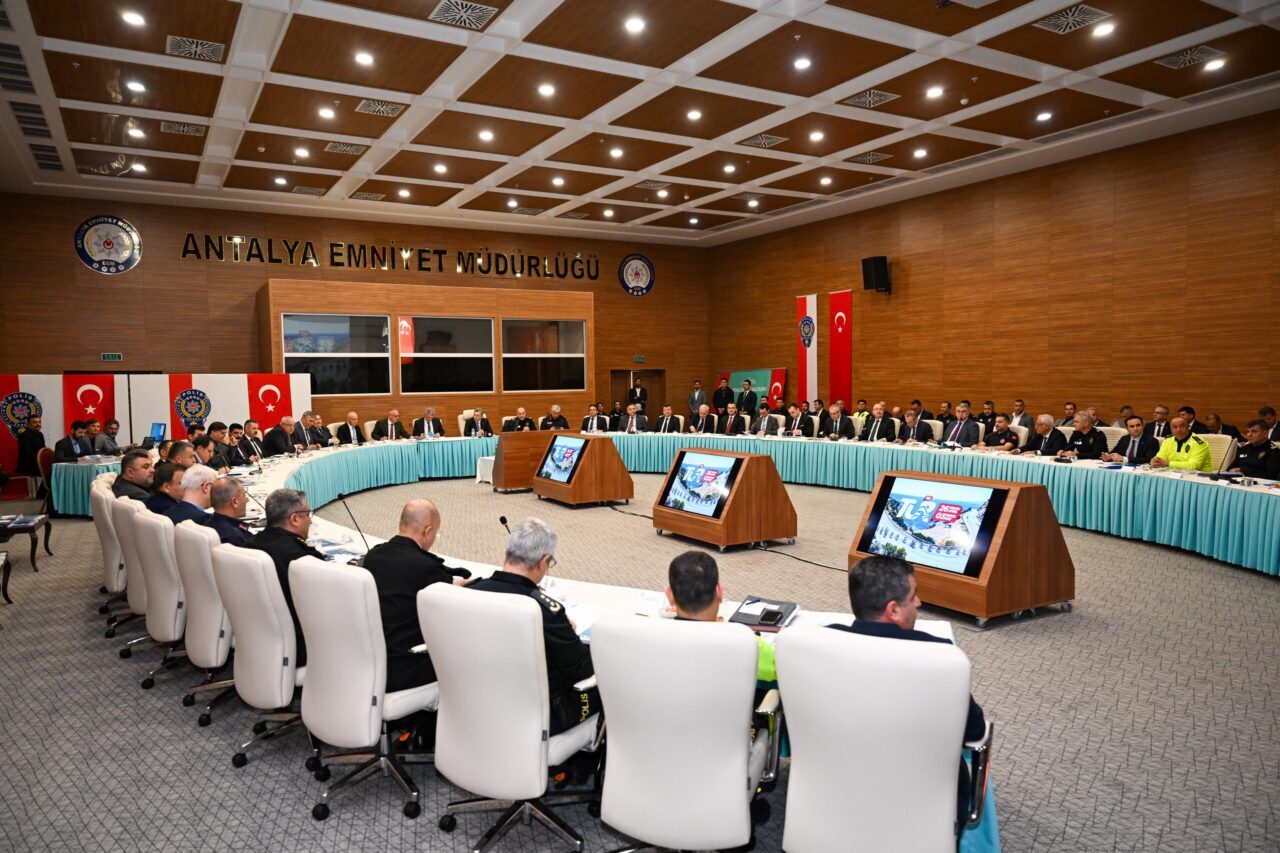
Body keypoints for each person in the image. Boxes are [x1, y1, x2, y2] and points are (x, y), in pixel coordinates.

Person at [830, 556, 986, 837]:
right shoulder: (941, 657)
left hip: (838, 782)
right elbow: (974, 732)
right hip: (922, 801)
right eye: (913, 596)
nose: (919, 603)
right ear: (893, 610)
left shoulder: (820, 643)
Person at [467, 518, 597, 734]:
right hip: (540, 719)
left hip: (474, 708)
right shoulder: (543, 611)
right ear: (543, 561)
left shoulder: (469, 593)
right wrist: (570, 636)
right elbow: (582, 668)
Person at [362, 499, 469, 693]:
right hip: (405, 668)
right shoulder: (426, 567)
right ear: (428, 532)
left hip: (369, 663)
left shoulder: (372, 557)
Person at [239, 488, 325, 666]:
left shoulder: (248, 546)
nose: (310, 521)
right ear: (295, 519)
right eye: (307, 514)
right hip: (300, 645)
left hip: (254, 637)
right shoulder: (300, 558)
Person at [665, 551, 774, 681]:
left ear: (669, 595)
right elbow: (783, 672)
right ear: (719, 592)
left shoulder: (654, 639)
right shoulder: (750, 645)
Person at [203, 477, 251, 545]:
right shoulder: (236, 538)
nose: (247, 500)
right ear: (234, 502)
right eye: (244, 496)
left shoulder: (208, 524)